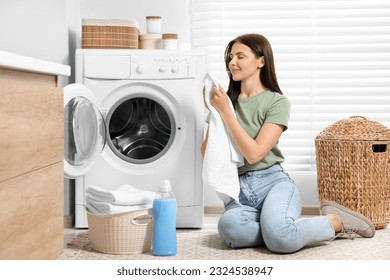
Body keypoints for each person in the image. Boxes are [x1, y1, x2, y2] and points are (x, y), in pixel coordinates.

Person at [200, 33, 375, 253]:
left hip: (273, 183)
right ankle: (279, 228)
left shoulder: (277, 102)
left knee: (281, 241)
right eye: (230, 57)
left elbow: (254, 154)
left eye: (240, 56)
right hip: (238, 190)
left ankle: (334, 221)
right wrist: (212, 115)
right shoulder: (225, 102)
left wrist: (226, 113)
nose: (231, 62)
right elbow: (208, 154)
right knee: (230, 227)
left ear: (260, 61)